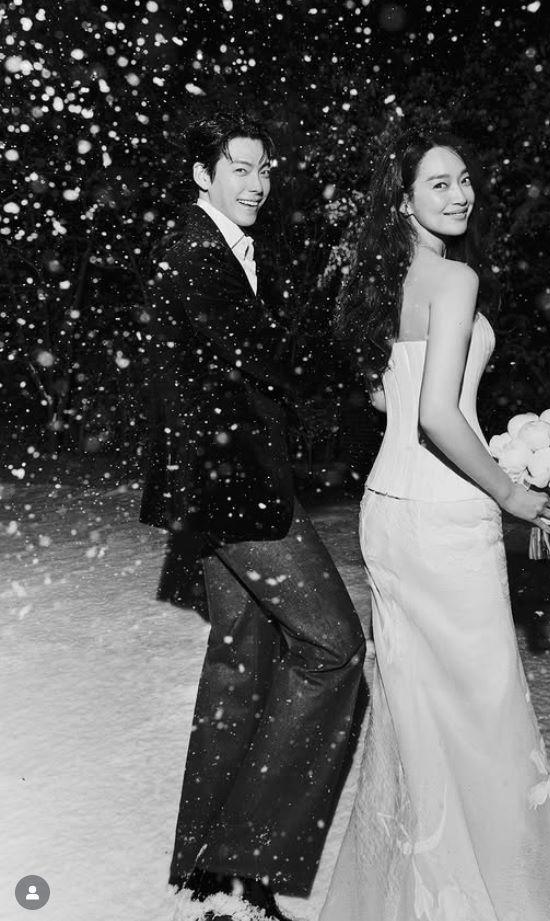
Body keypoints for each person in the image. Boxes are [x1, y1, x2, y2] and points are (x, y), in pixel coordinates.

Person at [319, 128, 550, 920]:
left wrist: (504, 450)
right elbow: (439, 416)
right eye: (437, 183)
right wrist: (510, 491)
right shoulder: (453, 279)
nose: (459, 194)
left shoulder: (383, 281)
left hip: (387, 511)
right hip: (444, 516)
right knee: (484, 709)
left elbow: (385, 398)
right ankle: (499, 895)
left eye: (464, 179)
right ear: (402, 199)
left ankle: (425, 894)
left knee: (414, 711)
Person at [139, 111, 366, 921]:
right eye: (239, 167)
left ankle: (206, 867)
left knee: (241, 657)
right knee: (333, 646)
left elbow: (249, 356)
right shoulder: (195, 252)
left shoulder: (221, 246)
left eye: (265, 168)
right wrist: (364, 366)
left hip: (217, 486)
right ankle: (242, 859)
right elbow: (264, 354)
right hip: (232, 489)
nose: (258, 182)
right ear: (203, 174)